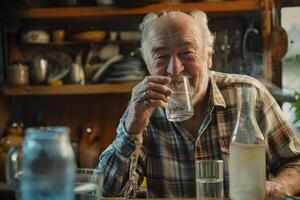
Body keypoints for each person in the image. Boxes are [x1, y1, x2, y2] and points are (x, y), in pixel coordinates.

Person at [96, 9, 300, 198]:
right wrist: (131, 130)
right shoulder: (142, 112)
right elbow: (105, 194)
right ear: (149, 65)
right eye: (161, 56)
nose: (174, 69)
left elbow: (295, 162)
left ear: (208, 57)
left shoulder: (248, 95)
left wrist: (280, 185)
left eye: (186, 53)